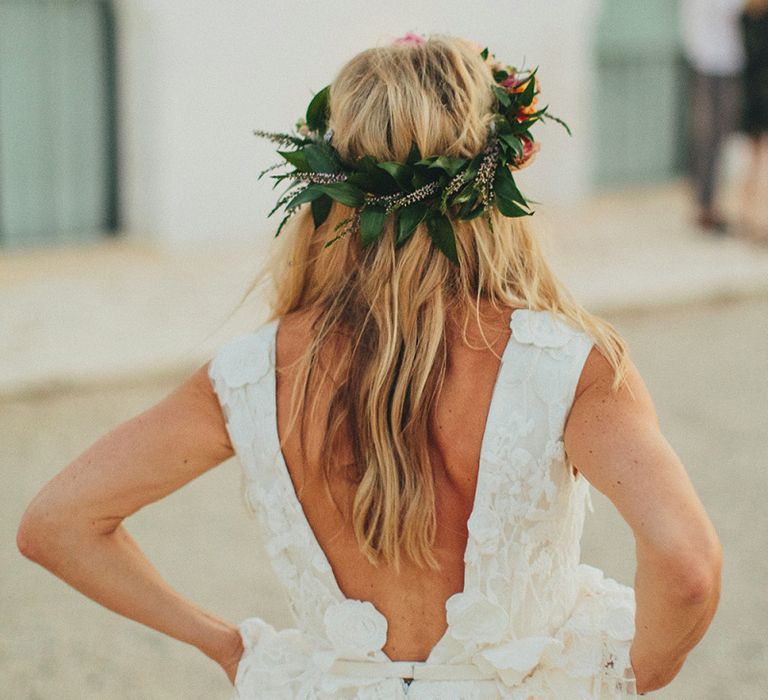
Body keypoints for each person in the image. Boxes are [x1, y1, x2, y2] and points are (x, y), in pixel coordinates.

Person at [17, 34, 722, 698]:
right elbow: (688, 568)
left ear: (329, 187)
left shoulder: (252, 372)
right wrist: (627, 672)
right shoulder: (571, 366)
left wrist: (227, 646)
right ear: (495, 179)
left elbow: (58, 523)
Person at [680, 0, 746, 232]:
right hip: (709, 62)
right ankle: (704, 204)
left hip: (724, 60)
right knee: (709, 133)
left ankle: (709, 201)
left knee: (718, 135)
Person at [740, 0, 768, 241]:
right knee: (756, 161)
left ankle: (753, 216)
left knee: (758, 161)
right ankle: (753, 217)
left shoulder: (746, 20)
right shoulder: (745, 20)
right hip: (756, 99)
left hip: (755, 96)